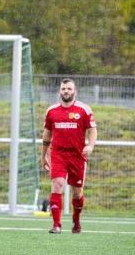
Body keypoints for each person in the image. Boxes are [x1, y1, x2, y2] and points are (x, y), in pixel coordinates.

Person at [41, 78, 97, 234]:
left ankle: (76, 220)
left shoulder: (83, 110)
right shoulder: (52, 111)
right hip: (58, 154)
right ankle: (56, 224)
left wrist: (90, 146)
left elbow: (92, 130)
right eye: (64, 89)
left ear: (75, 92)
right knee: (57, 184)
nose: (66, 91)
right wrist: (43, 155)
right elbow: (47, 135)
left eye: (69, 89)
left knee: (77, 192)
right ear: (60, 91)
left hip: (77, 156)